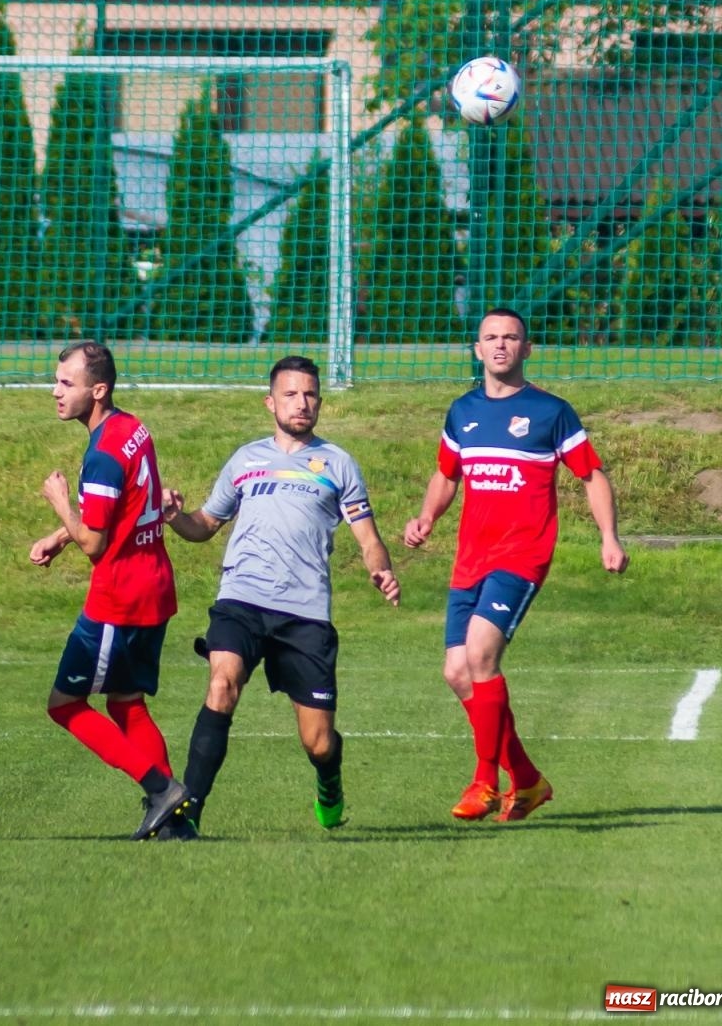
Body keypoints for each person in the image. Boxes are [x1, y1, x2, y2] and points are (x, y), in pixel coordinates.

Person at [403, 308, 627, 822]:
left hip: (521, 555)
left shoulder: (551, 412)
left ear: (528, 349)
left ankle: (484, 782)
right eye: (490, 338)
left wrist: (609, 537)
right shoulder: (462, 412)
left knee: (481, 654)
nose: (500, 345)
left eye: (511, 338)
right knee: (458, 672)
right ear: (476, 349)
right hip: (470, 559)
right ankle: (526, 780)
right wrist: (426, 517)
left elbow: (591, 476)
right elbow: (446, 475)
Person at [162, 355, 401, 832]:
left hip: (303, 613)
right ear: (271, 402)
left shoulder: (337, 463)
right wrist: (174, 518)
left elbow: (368, 538)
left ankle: (329, 780)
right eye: (291, 394)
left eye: (310, 394)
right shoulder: (245, 459)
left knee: (318, 742)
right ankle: (186, 813)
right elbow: (206, 525)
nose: (302, 402)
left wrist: (381, 570)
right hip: (242, 599)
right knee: (221, 684)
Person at [28, 341, 189, 841]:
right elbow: (124, 505)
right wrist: (61, 538)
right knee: (126, 702)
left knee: (65, 705)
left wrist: (59, 507)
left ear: (98, 390)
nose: (55, 392)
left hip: (119, 598)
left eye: (66, 384)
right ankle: (174, 826)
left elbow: (96, 543)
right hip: (155, 587)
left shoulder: (99, 454)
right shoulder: (132, 427)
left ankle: (160, 789)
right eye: (56, 381)